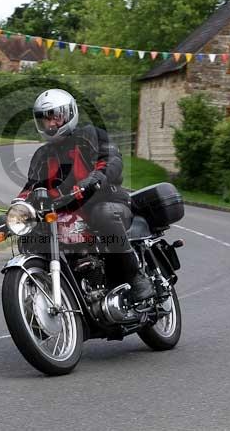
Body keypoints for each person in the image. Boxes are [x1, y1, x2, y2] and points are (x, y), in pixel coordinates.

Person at [17, 89, 155, 302]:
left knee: (103, 214)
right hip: (65, 211)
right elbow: (31, 187)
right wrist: (17, 209)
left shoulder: (91, 135)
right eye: (45, 119)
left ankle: (135, 277)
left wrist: (95, 178)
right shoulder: (41, 156)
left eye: (55, 116)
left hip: (106, 200)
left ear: (69, 114)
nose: (51, 124)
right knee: (33, 233)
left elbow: (112, 160)